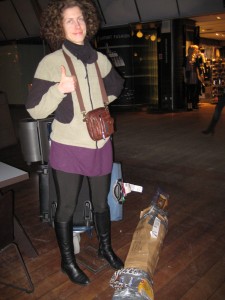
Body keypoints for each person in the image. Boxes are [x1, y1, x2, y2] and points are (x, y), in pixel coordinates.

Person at [26, 0, 124, 286]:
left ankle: (105, 248)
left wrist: (99, 108)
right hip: (68, 147)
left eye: (80, 18)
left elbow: (117, 86)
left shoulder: (98, 58)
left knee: (101, 204)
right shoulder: (51, 62)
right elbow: (35, 110)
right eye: (70, 20)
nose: (77, 25)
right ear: (59, 26)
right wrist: (59, 90)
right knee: (66, 208)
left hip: (100, 143)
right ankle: (67, 260)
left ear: (88, 22)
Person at [183, 45, 204, 110]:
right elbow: (183, 68)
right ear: (192, 50)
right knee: (188, 91)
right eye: (196, 49)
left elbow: (197, 68)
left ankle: (194, 104)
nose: (197, 51)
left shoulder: (196, 58)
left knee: (195, 91)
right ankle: (189, 106)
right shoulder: (186, 58)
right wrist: (184, 77)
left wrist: (199, 77)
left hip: (195, 76)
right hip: (189, 76)